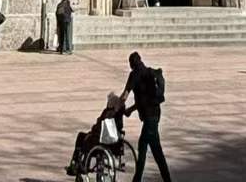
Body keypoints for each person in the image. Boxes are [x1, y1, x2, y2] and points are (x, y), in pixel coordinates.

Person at [124, 51, 172, 182]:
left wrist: (117, 108)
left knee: (152, 150)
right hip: (155, 114)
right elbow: (143, 101)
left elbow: (124, 96)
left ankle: (140, 179)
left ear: (131, 64)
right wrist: (130, 110)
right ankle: (140, 179)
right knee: (148, 148)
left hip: (149, 119)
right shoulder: (149, 72)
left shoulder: (134, 75)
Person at [66, 90, 126, 176]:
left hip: (101, 141)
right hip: (114, 143)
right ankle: (78, 162)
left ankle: (77, 163)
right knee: (86, 137)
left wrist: (93, 130)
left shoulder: (108, 113)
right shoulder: (118, 117)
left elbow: (99, 127)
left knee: (82, 137)